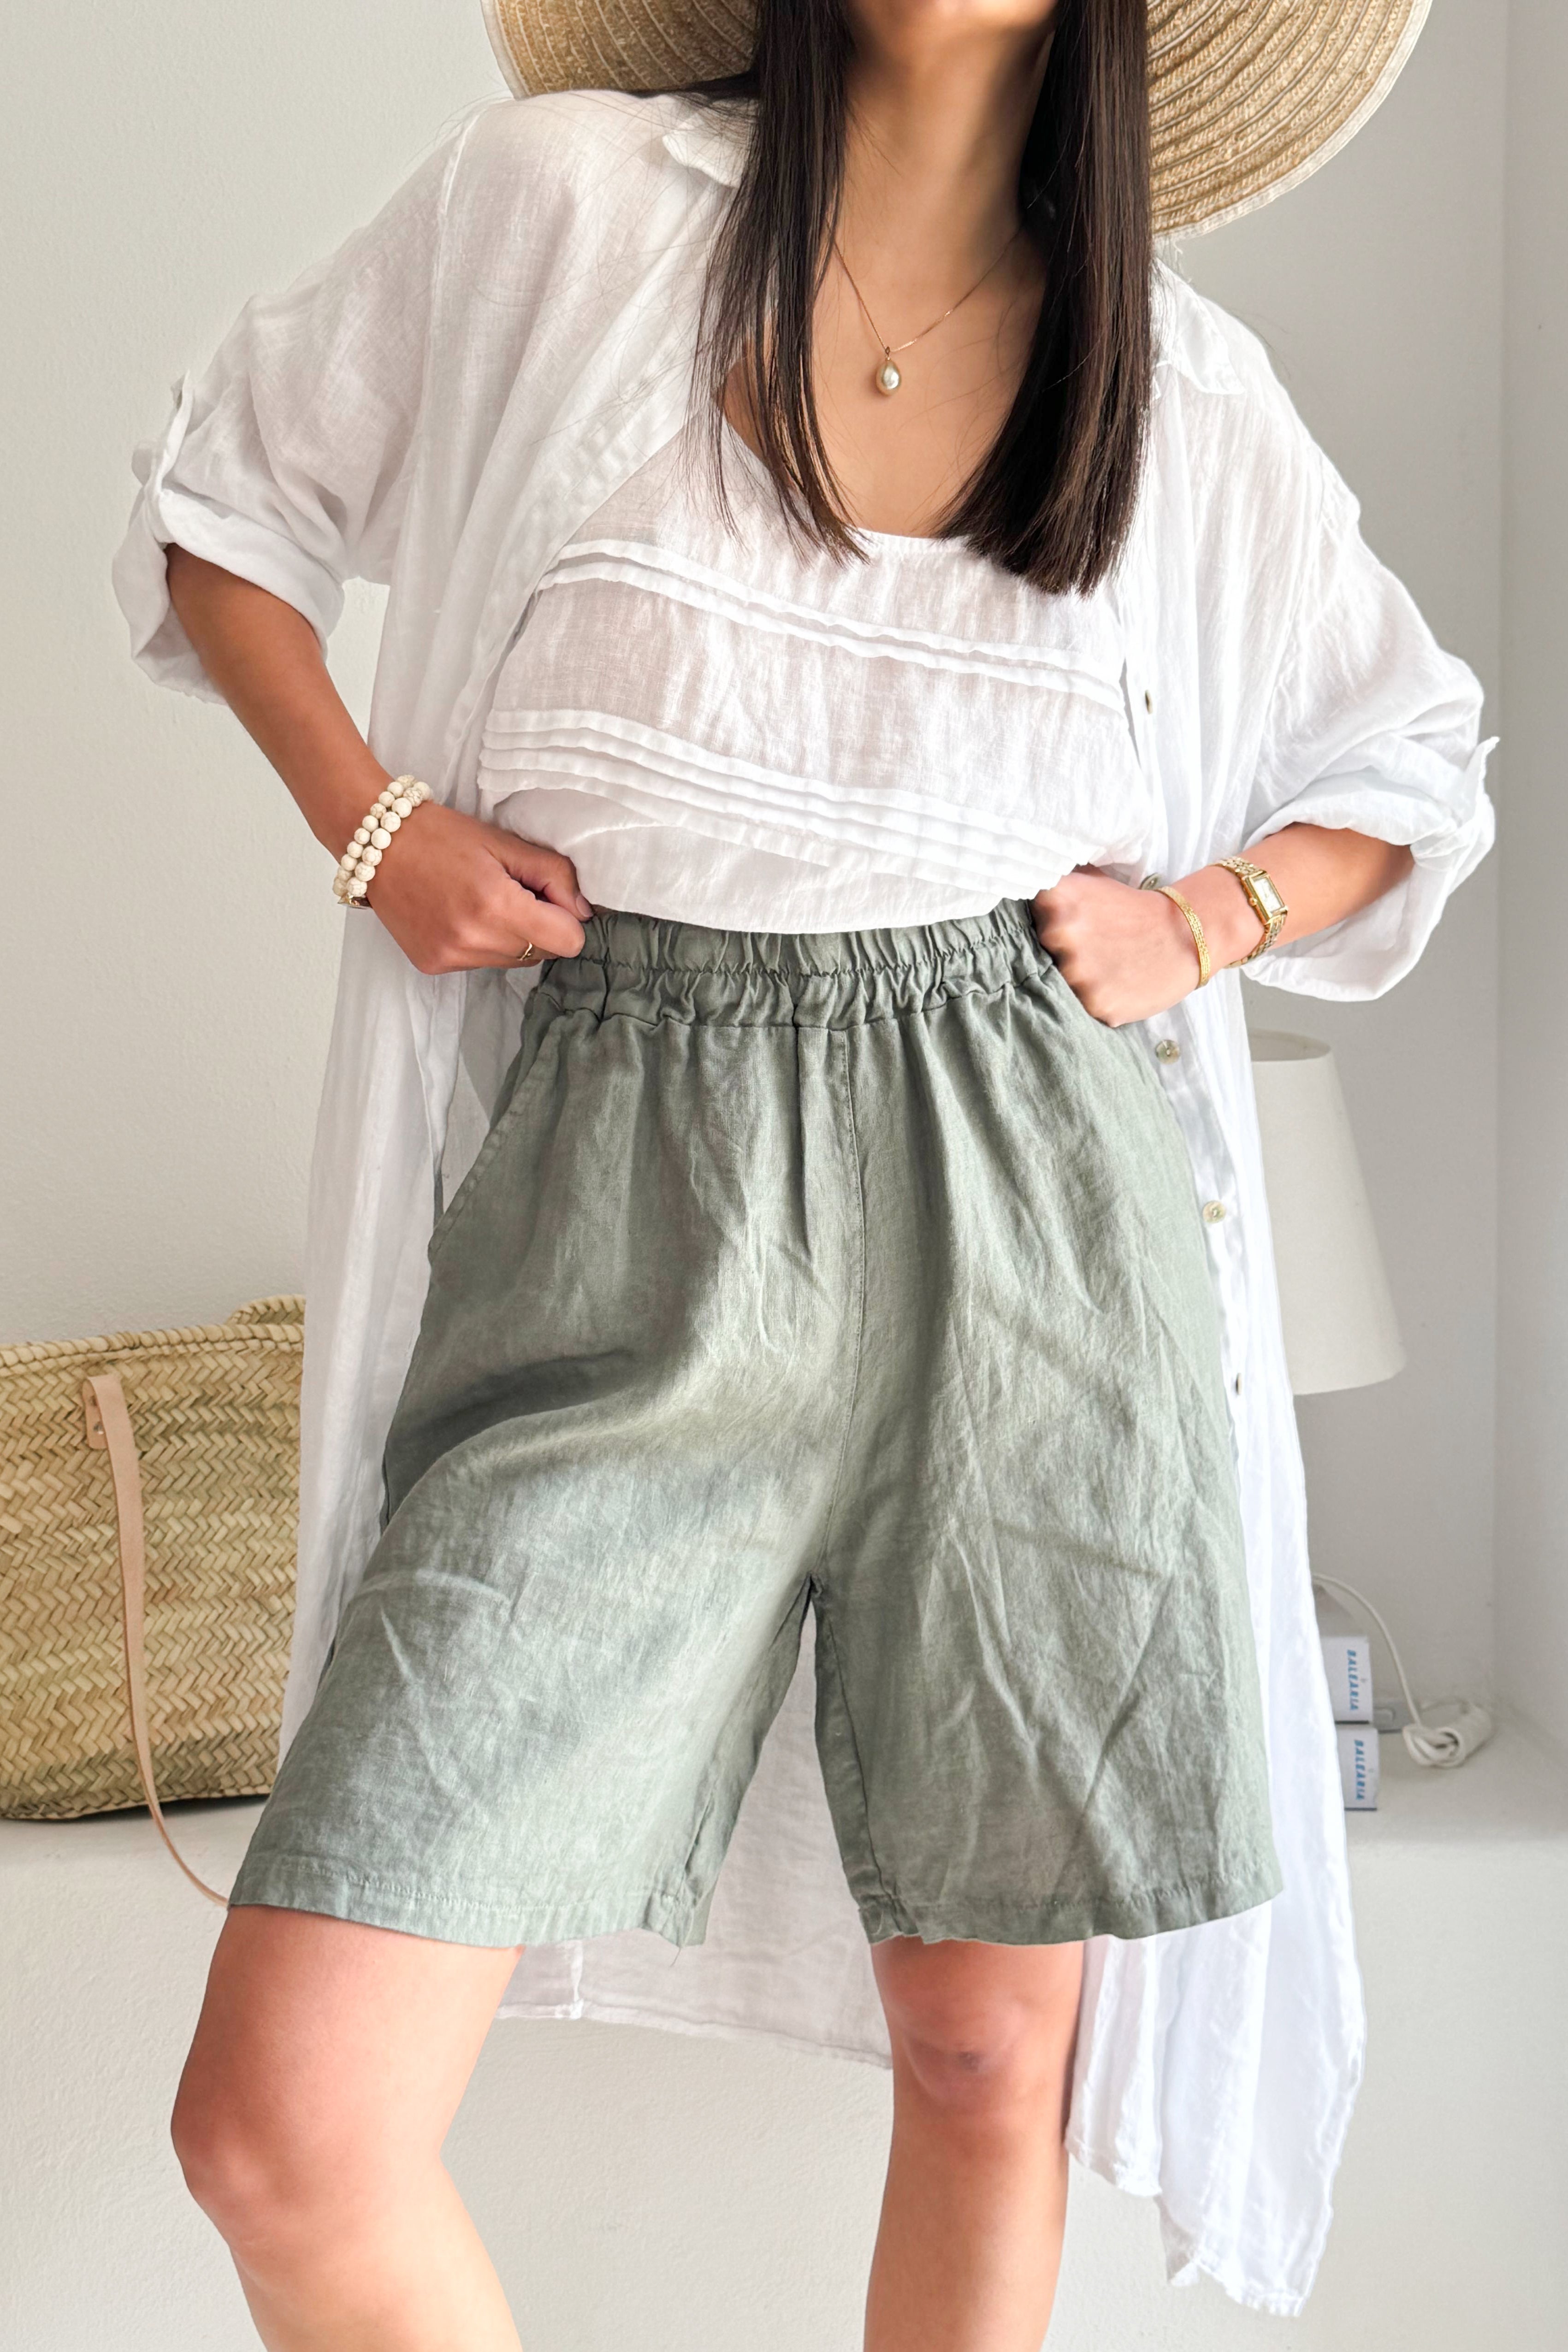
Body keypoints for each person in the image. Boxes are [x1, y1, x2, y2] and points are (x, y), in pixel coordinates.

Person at [111, 2, 1493, 2345]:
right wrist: (371, 822)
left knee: (984, 2055)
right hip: (623, 1198)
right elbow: (220, 503)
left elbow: (1412, 759)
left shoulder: (1178, 381)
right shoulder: (556, 207)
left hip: (1033, 1217)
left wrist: (1209, 917)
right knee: (284, 2129)